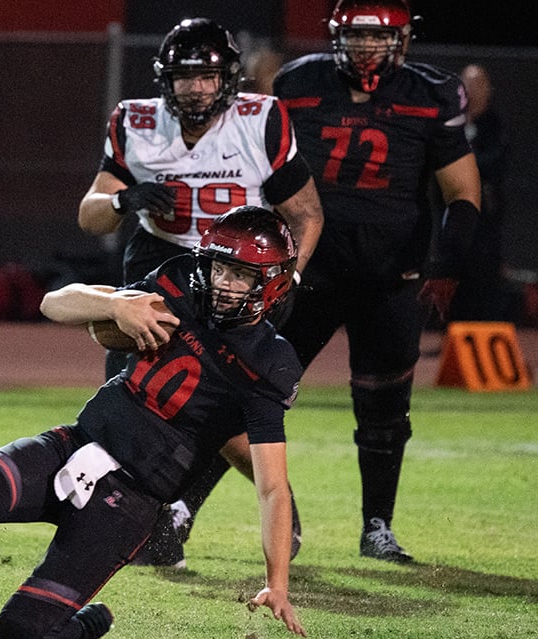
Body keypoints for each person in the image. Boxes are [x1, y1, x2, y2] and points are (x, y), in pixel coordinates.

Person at [0, 206, 307, 639]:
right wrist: (115, 304)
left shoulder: (270, 362)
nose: (223, 283)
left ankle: (82, 625)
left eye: (239, 275)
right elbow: (53, 303)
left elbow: (272, 488)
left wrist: (277, 582)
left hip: (129, 501)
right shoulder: (177, 283)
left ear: (272, 284)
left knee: (19, 630)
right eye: (218, 268)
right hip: (77, 445)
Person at [175, 0, 482, 564]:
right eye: (356, 36)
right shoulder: (300, 81)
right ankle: (182, 507)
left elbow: (463, 192)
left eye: (377, 37)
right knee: (245, 392)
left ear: (403, 41)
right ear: (338, 36)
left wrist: (449, 265)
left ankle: (377, 528)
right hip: (304, 274)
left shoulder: (429, 94)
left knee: (385, 410)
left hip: (392, 277)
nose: (366, 47)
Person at [77, 17, 324, 567]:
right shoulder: (136, 121)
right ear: (166, 78)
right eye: (186, 75)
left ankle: (196, 514)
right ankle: (148, 518)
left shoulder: (259, 119)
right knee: (136, 396)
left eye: (208, 75)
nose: (196, 87)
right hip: (162, 265)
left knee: (214, 407)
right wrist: (124, 200)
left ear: (228, 78)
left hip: (237, 279)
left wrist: (289, 278)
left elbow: (305, 213)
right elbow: (89, 216)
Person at [448, 64, 510, 321]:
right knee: (452, 273)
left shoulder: (494, 124)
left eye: (478, 84)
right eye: (467, 84)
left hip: (485, 215)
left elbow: (495, 162)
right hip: (453, 212)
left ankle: (485, 335)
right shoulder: (453, 121)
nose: (472, 90)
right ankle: (452, 336)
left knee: (484, 274)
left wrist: (464, 163)